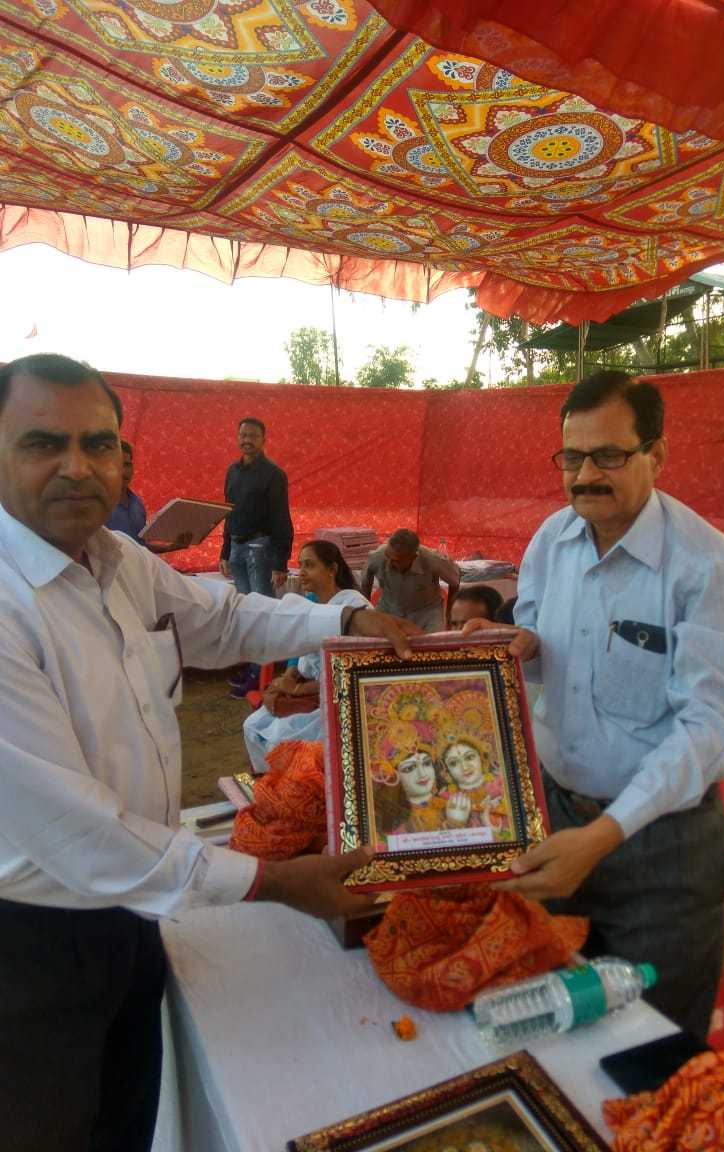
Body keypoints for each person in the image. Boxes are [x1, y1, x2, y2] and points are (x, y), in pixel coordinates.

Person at [0, 353, 417, 1152]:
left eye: (98, 443)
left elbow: (224, 621)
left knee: (125, 1122)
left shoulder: (118, 558)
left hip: (136, 914)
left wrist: (344, 621)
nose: (78, 466)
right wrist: (273, 881)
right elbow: (79, 835)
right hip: (34, 947)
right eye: (43, 443)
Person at [469, 370, 724, 1039]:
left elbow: (709, 726)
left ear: (657, 455)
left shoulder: (706, 565)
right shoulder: (551, 540)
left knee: (647, 1047)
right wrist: (517, 648)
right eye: (571, 457)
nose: (585, 476)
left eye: (608, 455)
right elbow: (546, 649)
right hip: (556, 820)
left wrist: (603, 837)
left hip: (661, 854)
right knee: (550, 1024)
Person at [243, 540, 370, 772]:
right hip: (311, 692)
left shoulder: (353, 607)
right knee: (252, 726)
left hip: (341, 700)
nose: (301, 572)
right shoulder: (310, 602)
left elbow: (352, 673)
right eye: (300, 565)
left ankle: (295, 790)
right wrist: (286, 680)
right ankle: (272, 786)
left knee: (279, 742)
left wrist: (297, 689)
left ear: (332, 569)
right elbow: (300, 653)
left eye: (309, 565)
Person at [219, 416, 294, 694]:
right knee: (247, 612)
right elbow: (228, 513)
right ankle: (253, 666)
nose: (247, 440)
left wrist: (280, 562)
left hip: (261, 549)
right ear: (237, 438)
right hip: (237, 548)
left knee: (263, 614)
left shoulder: (274, 475)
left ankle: (262, 675)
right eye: (243, 435)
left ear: (264, 439)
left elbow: (281, 518)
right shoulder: (232, 472)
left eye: (252, 435)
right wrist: (225, 550)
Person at [362, 528, 460, 632]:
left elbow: (455, 581)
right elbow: (365, 583)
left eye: (396, 560)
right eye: (387, 556)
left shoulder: (433, 559)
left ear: (413, 557)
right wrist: (365, 611)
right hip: (389, 609)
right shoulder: (377, 556)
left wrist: (450, 613)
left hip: (427, 612)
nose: (389, 563)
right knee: (370, 636)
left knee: (435, 641)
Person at [106, 439, 191, 555]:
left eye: (127, 465)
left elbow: (140, 547)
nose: (124, 472)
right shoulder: (98, 507)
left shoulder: (137, 504)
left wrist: (170, 547)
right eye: (117, 466)